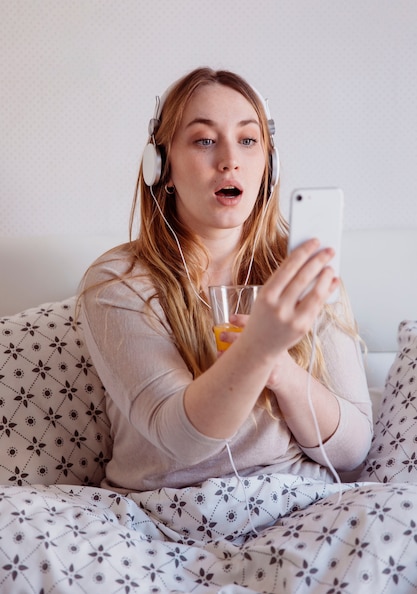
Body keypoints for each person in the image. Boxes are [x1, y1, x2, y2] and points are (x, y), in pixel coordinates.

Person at [79, 66, 372, 495]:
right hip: (165, 520)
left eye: (248, 140)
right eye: (204, 140)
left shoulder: (303, 272)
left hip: (299, 508)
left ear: (268, 165)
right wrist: (256, 350)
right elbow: (182, 440)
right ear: (161, 166)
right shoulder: (117, 283)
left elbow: (351, 452)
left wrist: (281, 370)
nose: (230, 159)